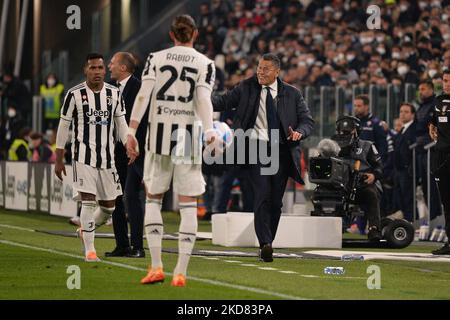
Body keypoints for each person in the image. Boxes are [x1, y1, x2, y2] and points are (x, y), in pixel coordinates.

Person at [126, 15, 218, 287]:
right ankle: (181, 271)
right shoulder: (206, 63)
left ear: (171, 34)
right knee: (188, 204)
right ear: (195, 34)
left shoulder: (156, 58)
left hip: (158, 137)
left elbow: (144, 95)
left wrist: (131, 131)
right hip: (188, 139)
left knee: (153, 199)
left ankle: (156, 266)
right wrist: (210, 130)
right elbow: (203, 99)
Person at [212, 53, 314, 262]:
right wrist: (200, 96)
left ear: (277, 71)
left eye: (266, 69)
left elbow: (307, 121)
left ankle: (268, 241)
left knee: (276, 202)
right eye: (259, 67)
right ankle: (265, 243)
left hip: (281, 150)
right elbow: (222, 101)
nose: (260, 71)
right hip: (254, 148)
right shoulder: (246, 86)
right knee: (262, 195)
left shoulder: (292, 94)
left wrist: (300, 133)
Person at [55, 53, 136, 262]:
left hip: (108, 159)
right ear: (85, 70)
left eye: (100, 68)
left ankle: (85, 230)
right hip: (82, 157)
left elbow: (121, 123)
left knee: (109, 208)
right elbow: (63, 126)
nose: (98, 71)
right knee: (88, 203)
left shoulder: (114, 94)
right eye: (93, 68)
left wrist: (129, 142)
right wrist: (58, 157)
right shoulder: (74, 95)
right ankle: (90, 251)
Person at [105, 52, 146, 258]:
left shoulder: (140, 88)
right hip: (116, 153)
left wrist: (135, 145)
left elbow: (144, 121)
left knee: (131, 197)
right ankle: (122, 245)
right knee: (116, 198)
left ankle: (138, 246)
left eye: (112, 63)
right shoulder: (110, 90)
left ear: (123, 68)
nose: (108, 66)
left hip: (136, 152)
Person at [332, 116, 383, 241]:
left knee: (371, 193)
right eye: (342, 131)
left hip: (362, 184)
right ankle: (331, 228)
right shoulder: (332, 145)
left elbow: (380, 167)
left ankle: (374, 229)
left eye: (348, 131)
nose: (344, 134)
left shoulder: (367, 146)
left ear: (356, 130)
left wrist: (374, 175)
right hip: (339, 184)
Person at [353, 94, 387, 234]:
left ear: (367, 106)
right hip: (354, 168)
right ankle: (356, 226)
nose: (356, 108)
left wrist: (377, 169)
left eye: (359, 106)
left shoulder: (376, 124)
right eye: (355, 105)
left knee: (371, 195)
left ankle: (371, 227)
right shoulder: (353, 123)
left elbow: (383, 149)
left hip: (370, 169)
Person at [429, 70, 450, 255]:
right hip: (441, 155)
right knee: (446, 201)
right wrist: (431, 125)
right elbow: (433, 121)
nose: (447, 84)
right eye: (445, 81)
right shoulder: (438, 101)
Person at [416, 80, 442, 221]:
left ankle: (436, 218)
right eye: (420, 89)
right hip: (421, 150)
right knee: (425, 185)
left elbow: (427, 124)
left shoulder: (435, 104)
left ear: (431, 89)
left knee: (432, 184)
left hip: (431, 149)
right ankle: (431, 217)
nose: (421, 91)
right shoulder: (422, 106)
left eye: (424, 89)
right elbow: (418, 124)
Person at [393, 103, 416, 222]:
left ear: (413, 114)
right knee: (400, 196)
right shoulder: (402, 129)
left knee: (408, 196)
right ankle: (406, 219)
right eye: (401, 111)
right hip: (399, 169)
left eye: (406, 112)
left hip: (407, 169)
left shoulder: (414, 128)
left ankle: (410, 220)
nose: (402, 114)